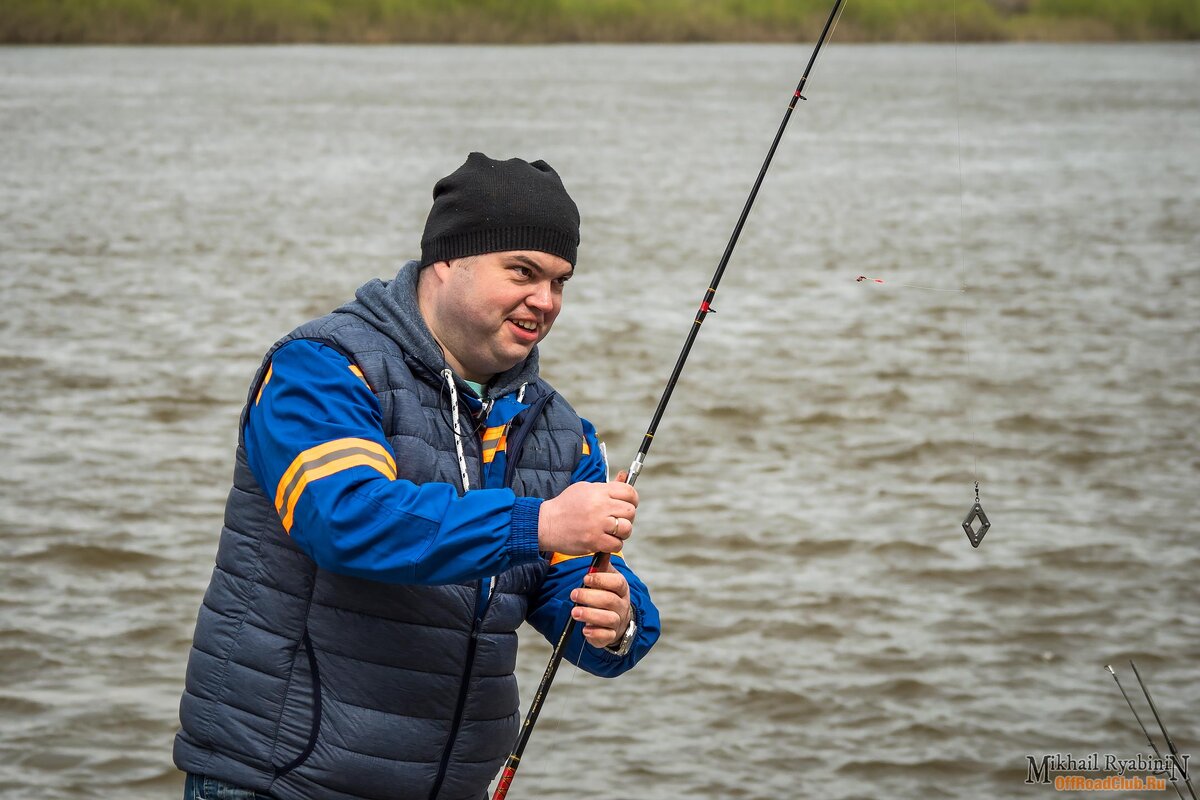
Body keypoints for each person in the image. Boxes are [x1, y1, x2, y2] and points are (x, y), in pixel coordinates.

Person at [173, 153, 661, 800]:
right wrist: (539, 521)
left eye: (560, 281)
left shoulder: (563, 433)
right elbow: (346, 518)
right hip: (280, 783)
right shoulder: (321, 370)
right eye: (522, 271)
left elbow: (584, 610)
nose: (544, 301)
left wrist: (615, 620)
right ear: (447, 261)